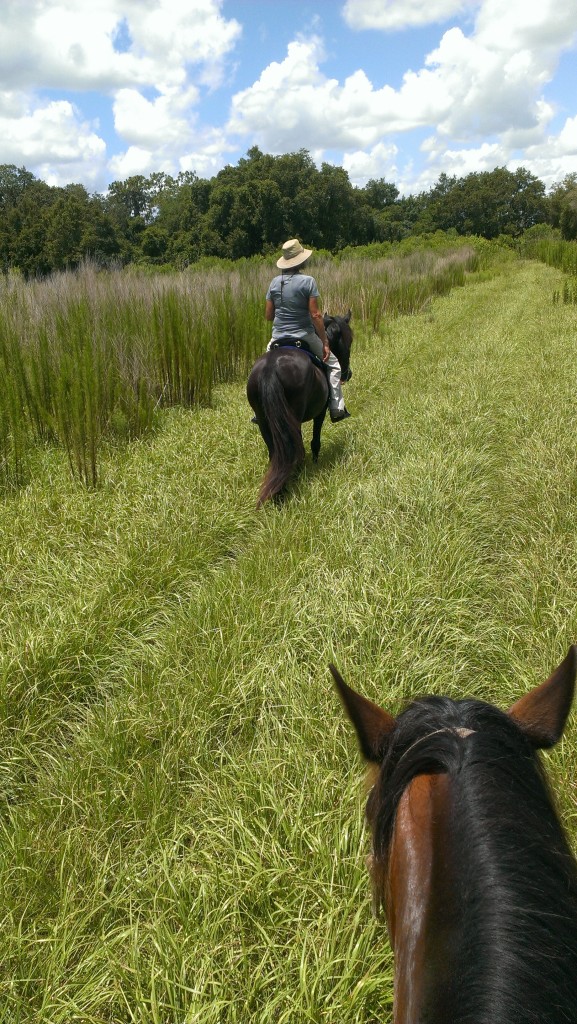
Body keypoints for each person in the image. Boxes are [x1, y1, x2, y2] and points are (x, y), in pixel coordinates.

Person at [264, 239, 350, 422]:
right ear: (301, 261)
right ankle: (337, 408)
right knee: (334, 365)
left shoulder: (273, 283)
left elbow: (269, 315)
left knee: (264, 367)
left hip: (278, 337)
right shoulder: (308, 281)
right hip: (303, 335)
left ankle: (259, 411)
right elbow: (316, 315)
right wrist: (325, 342)